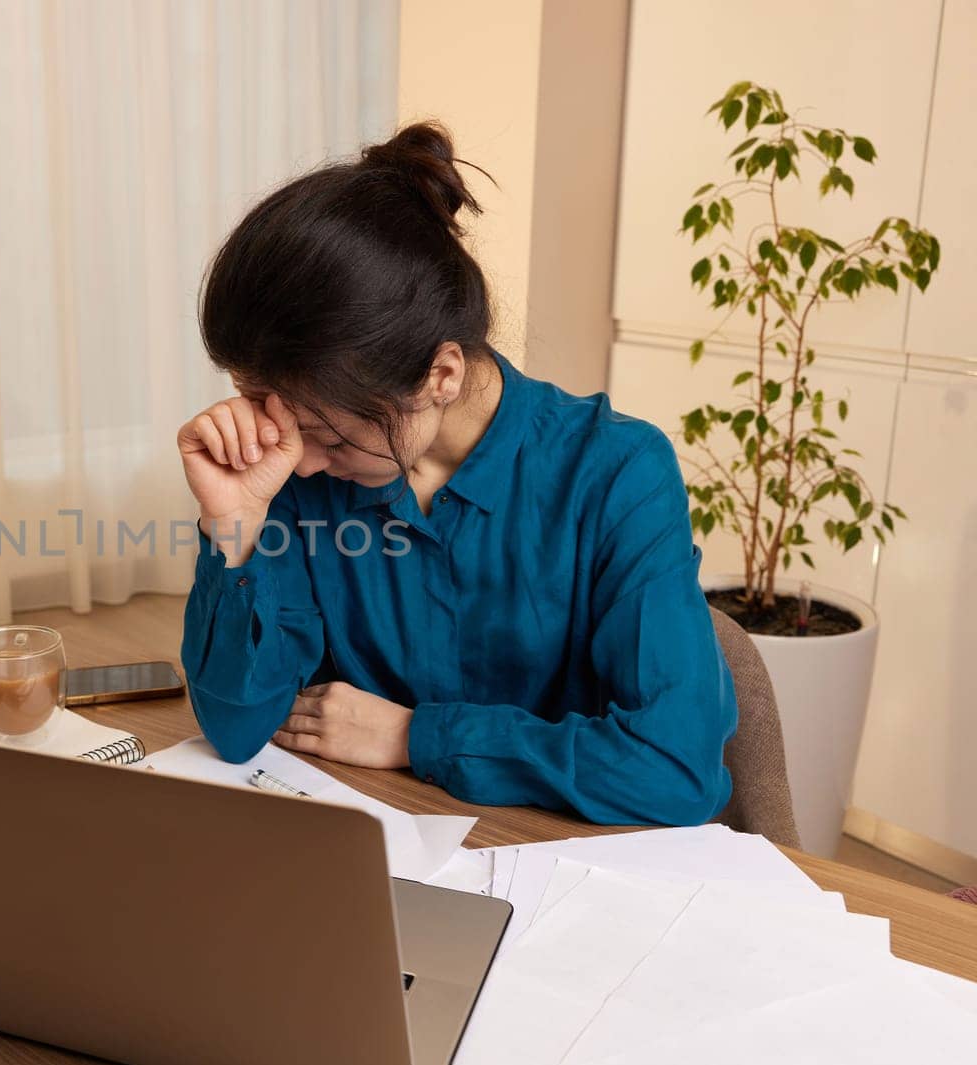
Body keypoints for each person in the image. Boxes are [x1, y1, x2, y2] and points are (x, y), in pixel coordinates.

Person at [176, 122, 736, 826]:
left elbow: (675, 767)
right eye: (265, 410)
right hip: (382, 853)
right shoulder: (291, 466)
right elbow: (235, 729)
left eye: (320, 433)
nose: (296, 457)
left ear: (440, 374)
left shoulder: (617, 475)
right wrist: (233, 524)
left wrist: (417, 735)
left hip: (564, 866)